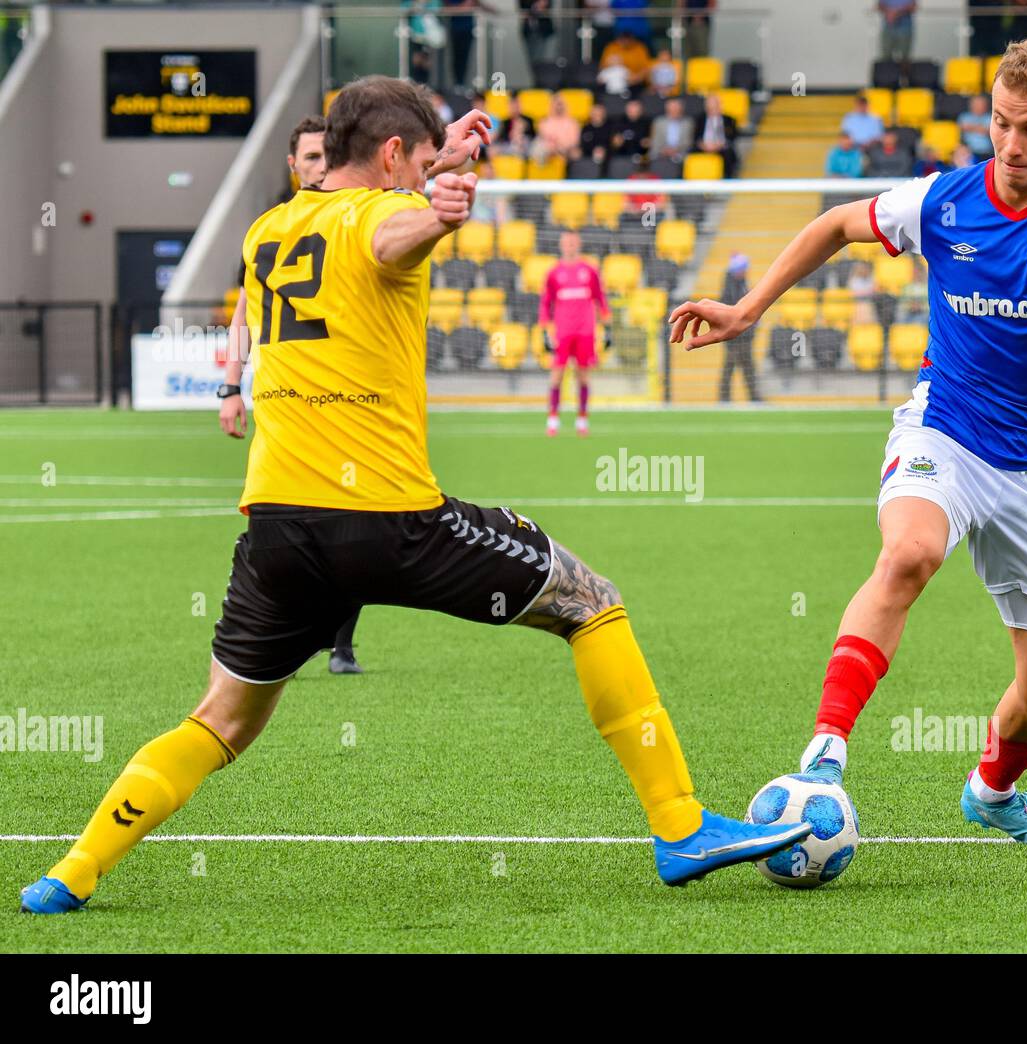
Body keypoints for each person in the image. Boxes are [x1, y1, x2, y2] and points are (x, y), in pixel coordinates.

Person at [19, 77, 808, 916]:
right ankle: (681, 826)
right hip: (389, 523)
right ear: (394, 155)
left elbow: (367, 221)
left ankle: (73, 870)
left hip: (278, 529)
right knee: (592, 603)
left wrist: (441, 167)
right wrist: (439, 210)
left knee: (220, 722)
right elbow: (390, 234)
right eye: (421, 156)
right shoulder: (388, 215)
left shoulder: (268, 229)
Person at [669, 36, 1027, 845]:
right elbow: (836, 224)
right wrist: (747, 309)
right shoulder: (943, 200)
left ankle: (992, 791)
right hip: (945, 429)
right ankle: (823, 756)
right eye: (1000, 122)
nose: (1012, 144)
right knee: (909, 553)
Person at [218, 116, 365, 676]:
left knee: (354, 521)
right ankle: (284, 639)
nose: (320, 167)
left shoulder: (356, 219)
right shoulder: (269, 231)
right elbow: (243, 315)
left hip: (346, 401)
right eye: (310, 158)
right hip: (286, 407)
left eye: (328, 156)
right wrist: (230, 386)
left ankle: (342, 644)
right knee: (281, 528)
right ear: (292, 165)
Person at [540, 231, 612, 437]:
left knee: (583, 376)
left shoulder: (589, 270)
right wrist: (544, 330)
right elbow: (546, 303)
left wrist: (607, 328)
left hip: (585, 331)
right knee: (557, 374)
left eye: (573, 242)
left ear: (578, 244)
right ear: (561, 245)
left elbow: (600, 298)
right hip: (562, 332)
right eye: (566, 243)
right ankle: (553, 419)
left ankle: (582, 419)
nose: (570, 246)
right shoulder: (554, 273)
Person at [717, 254, 761, 403]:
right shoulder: (731, 288)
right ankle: (725, 398)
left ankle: (753, 397)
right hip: (734, 336)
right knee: (731, 366)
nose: (745, 272)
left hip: (744, 334)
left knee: (747, 367)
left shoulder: (741, 284)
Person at [695, 93, 738, 177]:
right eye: (710, 108)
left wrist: (719, 145)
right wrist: (703, 145)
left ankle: (727, 178)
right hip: (703, 147)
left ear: (720, 106)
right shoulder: (700, 119)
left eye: (715, 107)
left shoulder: (729, 120)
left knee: (729, 154)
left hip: (722, 148)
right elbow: (696, 137)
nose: (712, 110)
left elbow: (732, 137)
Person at [532, 94, 581, 163]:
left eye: (560, 104)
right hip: (548, 151)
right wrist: (553, 147)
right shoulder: (544, 122)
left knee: (575, 153)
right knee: (539, 147)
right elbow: (543, 138)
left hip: (565, 150)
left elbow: (574, 141)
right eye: (556, 104)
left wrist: (560, 146)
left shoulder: (572, 123)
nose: (559, 107)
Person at [649, 96, 694, 163]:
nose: (674, 110)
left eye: (676, 108)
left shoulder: (688, 123)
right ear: (667, 109)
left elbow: (688, 142)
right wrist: (663, 150)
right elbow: (655, 141)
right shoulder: (659, 122)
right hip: (661, 152)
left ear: (681, 109)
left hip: (680, 153)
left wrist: (676, 150)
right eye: (671, 108)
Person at [958, 95, 994, 161]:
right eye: (976, 104)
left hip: (987, 152)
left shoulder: (990, 117)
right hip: (969, 152)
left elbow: (990, 130)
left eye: (981, 104)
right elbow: (963, 127)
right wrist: (982, 128)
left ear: (985, 106)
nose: (978, 106)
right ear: (971, 105)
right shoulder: (965, 116)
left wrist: (971, 127)